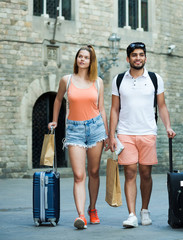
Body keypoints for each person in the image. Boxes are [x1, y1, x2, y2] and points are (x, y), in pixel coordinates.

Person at [107, 42, 176, 228]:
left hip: (147, 132)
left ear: (145, 57)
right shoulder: (119, 80)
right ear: (128, 58)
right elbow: (114, 109)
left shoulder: (154, 79)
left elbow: (161, 106)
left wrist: (167, 126)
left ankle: (145, 210)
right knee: (130, 173)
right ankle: (131, 215)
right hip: (125, 133)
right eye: (134, 55)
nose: (138, 58)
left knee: (146, 174)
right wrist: (111, 135)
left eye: (141, 54)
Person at [48, 45, 109, 230]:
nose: (82, 60)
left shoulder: (98, 82)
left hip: (96, 128)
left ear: (91, 61)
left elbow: (102, 108)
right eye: (80, 57)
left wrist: (106, 134)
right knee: (78, 175)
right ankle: (81, 215)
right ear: (76, 59)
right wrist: (54, 121)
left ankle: (92, 209)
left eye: (86, 57)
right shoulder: (66, 80)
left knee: (93, 172)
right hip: (74, 130)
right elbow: (58, 99)